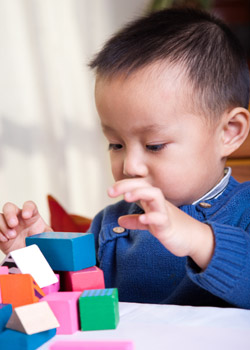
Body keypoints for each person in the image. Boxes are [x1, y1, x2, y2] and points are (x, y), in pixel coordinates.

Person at [0, 8, 250, 309]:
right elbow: (72, 299)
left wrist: (198, 239)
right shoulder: (112, 225)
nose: (129, 166)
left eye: (155, 145)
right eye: (115, 144)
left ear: (229, 132)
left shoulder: (244, 213)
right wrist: (35, 253)